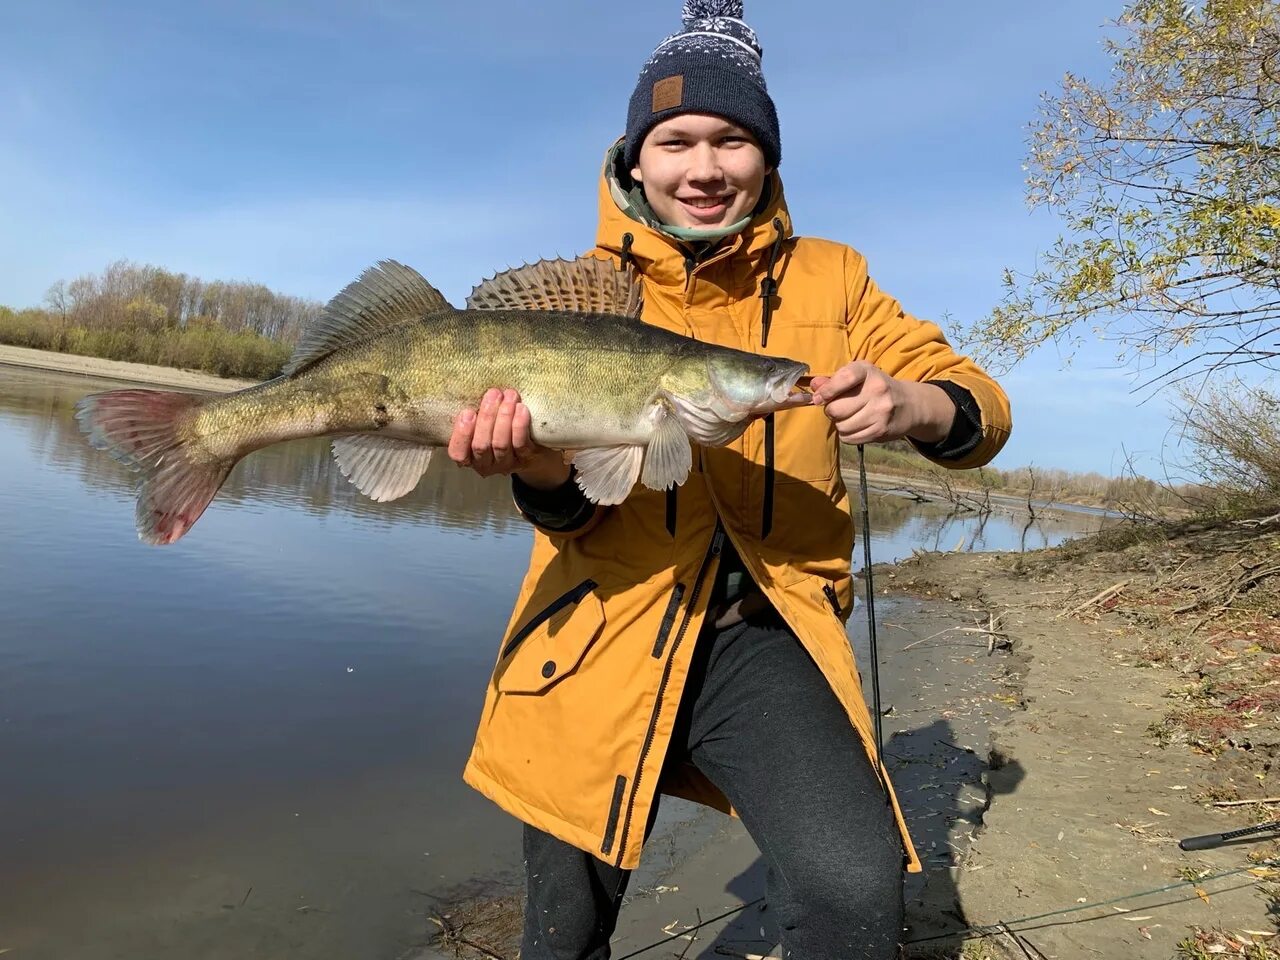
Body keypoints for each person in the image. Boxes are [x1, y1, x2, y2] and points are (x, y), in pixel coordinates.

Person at [449, 3, 1012, 957]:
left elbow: (981, 407)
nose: (703, 168)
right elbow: (566, 516)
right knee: (563, 932)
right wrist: (537, 468)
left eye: (732, 139)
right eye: (674, 141)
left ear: (768, 156)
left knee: (854, 894)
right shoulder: (581, 294)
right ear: (635, 159)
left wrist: (912, 406)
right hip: (595, 627)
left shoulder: (836, 280)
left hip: (766, 638)